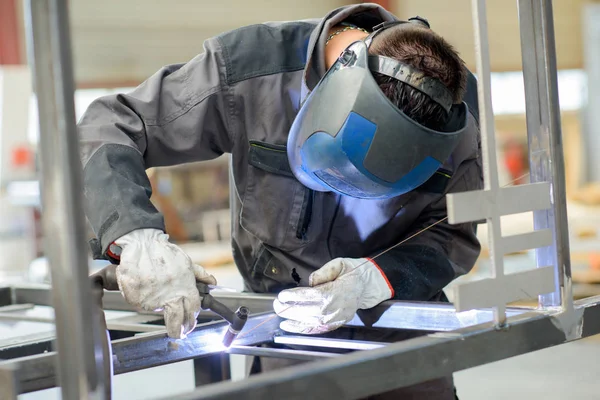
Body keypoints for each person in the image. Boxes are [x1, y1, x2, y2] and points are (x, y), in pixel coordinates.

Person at [78, 3, 481, 399]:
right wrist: (137, 235)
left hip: (400, 326)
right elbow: (110, 125)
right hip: (288, 329)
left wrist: (378, 278)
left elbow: (452, 233)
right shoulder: (250, 70)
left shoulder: (454, 110)